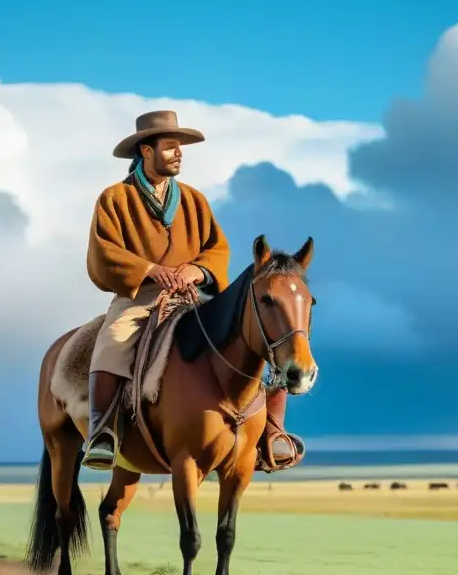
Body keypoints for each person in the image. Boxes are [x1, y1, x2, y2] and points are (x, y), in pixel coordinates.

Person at [82, 110, 304, 473]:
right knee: (113, 340)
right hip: (141, 296)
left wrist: (197, 269)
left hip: (194, 296)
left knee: (254, 336)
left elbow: (217, 247)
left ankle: (272, 434)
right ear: (146, 151)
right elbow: (104, 250)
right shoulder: (115, 198)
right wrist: (152, 270)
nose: (178, 153)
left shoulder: (193, 199)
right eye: (170, 147)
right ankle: (102, 431)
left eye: (180, 148)